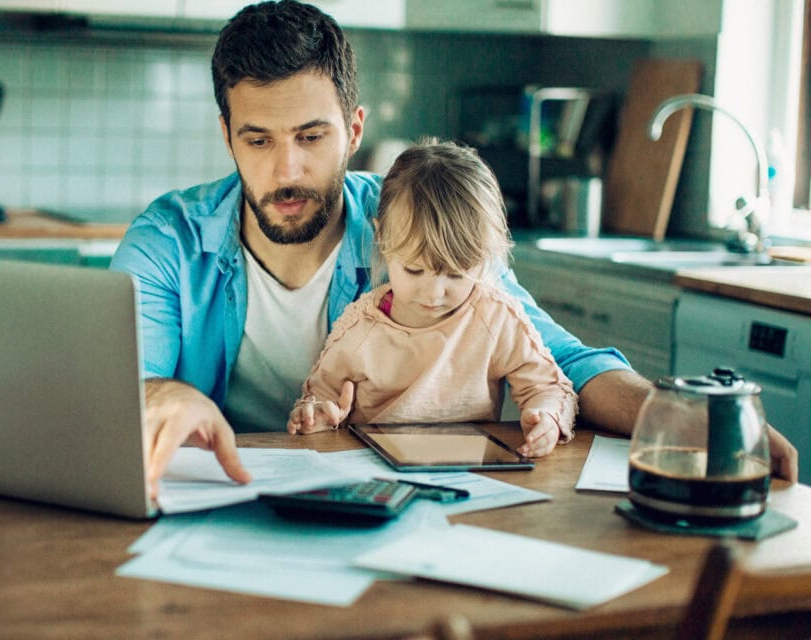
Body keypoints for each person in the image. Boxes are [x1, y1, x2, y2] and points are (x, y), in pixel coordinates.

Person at [108, 0, 798, 493]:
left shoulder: (417, 217)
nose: (286, 170)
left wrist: (683, 419)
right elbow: (126, 383)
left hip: (396, 509)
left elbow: (565, 360)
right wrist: (162, 395)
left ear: (353, 129)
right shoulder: (169, 238)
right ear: (227, 134)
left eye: (311, 137)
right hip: (224, 501)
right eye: (258, 140)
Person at [288, 140, 576, 459]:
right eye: (414, 270)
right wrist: (317, 416)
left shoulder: (495, 317)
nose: (434, 293)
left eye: (456, 274)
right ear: (382, 239)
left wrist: (545, 416)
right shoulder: (360, 327)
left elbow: (548, 387)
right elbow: (319, 397)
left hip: (468, 470)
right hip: (373, 468)